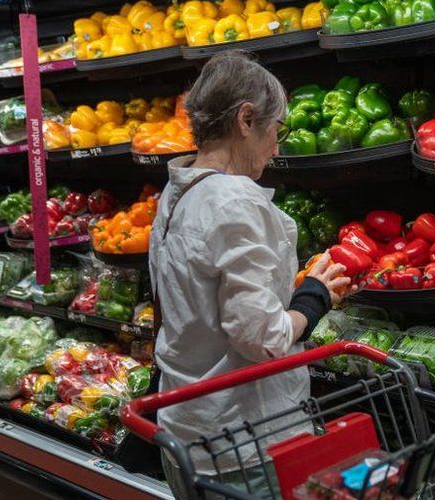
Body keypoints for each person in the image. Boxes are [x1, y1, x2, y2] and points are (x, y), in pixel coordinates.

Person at [149, 50, 350, 499]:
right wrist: (315, 296)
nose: (277, 146)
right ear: (245, 119)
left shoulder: (178, 190)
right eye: (277, 129)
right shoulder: (235, 199)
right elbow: (261, 338)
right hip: (245, 443)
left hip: (187, 428)